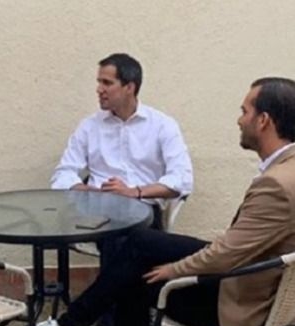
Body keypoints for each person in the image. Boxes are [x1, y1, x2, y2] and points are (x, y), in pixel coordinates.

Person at [8, 77, 295, 326]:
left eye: (244, 111)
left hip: (245, 304)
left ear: (263, 121)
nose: (239, 119)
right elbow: (239, 246)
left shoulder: (276, 184)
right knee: (141, 243)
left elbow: (225, 256)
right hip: (270, 289)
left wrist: (173, 270)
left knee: (139, 277)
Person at [51, 53, 193, 231]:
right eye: (99, 82)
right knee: (117, 236)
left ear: (129, 87)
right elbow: (62, 175)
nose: (99, 89)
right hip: (98, 213)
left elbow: (182, 179)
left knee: (126, 236)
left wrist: (134, 192)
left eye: (107, 83)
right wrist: (93, 193)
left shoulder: (162, 125)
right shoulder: (89, 126)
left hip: (144, 210)